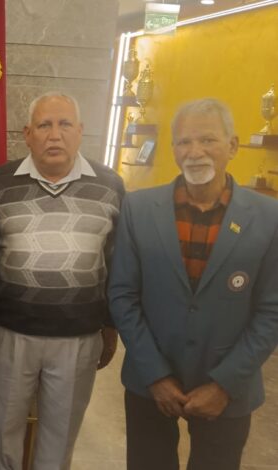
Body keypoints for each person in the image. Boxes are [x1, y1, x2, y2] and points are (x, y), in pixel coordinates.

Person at [108, 98, 278, 470]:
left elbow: (271, 311)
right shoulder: (138, 209)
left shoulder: (269, 218)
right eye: (184, 141)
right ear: (173, 149)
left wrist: (224, 384)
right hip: (149, 383)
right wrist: (155, 375)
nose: (195, 151)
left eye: (208, 140)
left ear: (232, 146)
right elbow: (122, 295)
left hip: (228, 391)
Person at [0, 92, 124, 470]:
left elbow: (117, 262)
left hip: (78, 337)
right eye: (44, 125)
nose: (55, 134)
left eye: (65, 125)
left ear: (80, 132)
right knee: (4, 436)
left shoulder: (110, 186)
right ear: (27, 134)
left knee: (58, 442)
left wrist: (111, 325)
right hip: (12, 332)